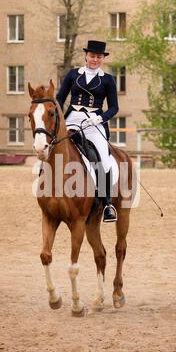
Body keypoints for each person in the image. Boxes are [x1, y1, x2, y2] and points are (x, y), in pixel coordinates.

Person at [56, 40, 119, 222]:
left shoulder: (107, 79)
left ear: (102, 59)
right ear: (86, 56)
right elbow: (60, 98)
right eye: (92, 56)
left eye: (99, 57)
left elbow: (114, 107)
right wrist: (59, 118)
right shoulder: (73, 74)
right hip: (72, 119)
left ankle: (107, 204)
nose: (95, 59)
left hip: (94, 123)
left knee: (103, 158)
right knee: (53, 145)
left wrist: (99, 118)